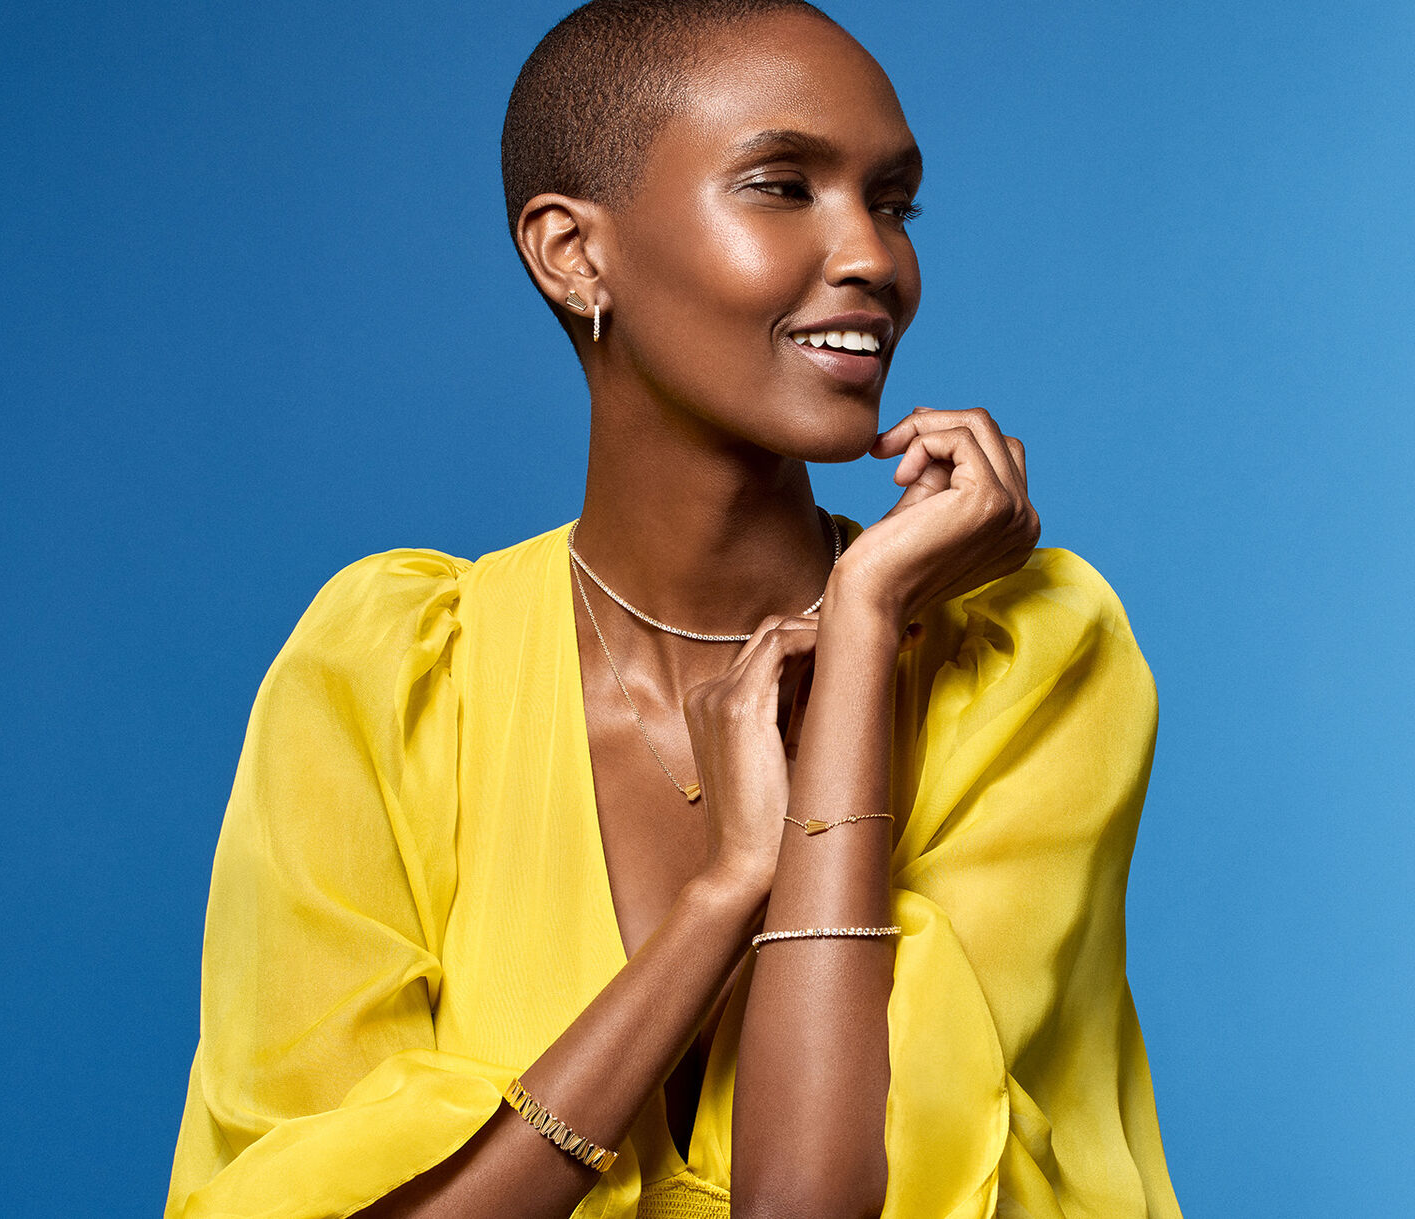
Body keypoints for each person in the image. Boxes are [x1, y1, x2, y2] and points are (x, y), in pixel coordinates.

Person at [165, 2, 1183, 1216]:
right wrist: (722, 899)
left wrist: (860, 626)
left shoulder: (1025, 659)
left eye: (893, 201)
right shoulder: (390, 676)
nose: (874, 256)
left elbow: (813, 1203)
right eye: (782, 186)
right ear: (573, 255)